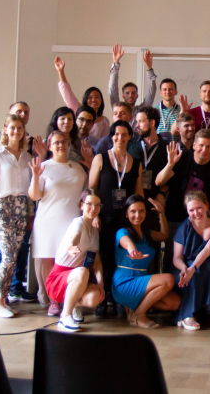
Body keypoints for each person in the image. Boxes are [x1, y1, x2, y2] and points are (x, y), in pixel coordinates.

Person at [156, 129, 210, 270]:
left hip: (200, 221)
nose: (204, 150)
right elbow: (159, 182)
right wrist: (170, 164)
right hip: (175, 216)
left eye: (208, 146)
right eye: (201, 145)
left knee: (198, 260)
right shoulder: (182, 158)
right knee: (171, 256)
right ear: (194, 145)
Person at [29, 131, 88, 316]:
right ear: (49, 146)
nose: (60, 145)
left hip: (71, 222)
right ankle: (53, 301)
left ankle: (72, 302)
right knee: (49, 259)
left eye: (63, 142)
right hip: (47, 221)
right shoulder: (43, 166)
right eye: (56, 143)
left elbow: (86, 194)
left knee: (71, 260)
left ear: (68, 144)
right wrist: (35, 176)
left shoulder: (78, 168)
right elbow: (35, 196)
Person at [88, 120, 144, 316]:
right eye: (116, 134)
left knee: (123, 259)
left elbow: (138, 193)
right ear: (111, 136)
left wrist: (139, 218)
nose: (120, 138)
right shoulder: (101, 158)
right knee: (104, 259)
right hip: (103, 218)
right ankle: (101, 299)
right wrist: (95, 215)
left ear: (130, 137)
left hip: (125, 221)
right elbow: (92, 189)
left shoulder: (136, 162)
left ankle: (120, 299)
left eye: (124, 134)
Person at [0, 114, 33, 318]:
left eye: (19, 128)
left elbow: (29, 188)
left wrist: (30, 212)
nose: (16, 132)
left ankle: (4, 299)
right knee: (8, 257)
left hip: (22, 207)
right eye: (12, 127)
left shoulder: (27, 157)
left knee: (14, 257)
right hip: (2, 207)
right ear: (5, 129)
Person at [113, 195, 180, 328]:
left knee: (174, 302)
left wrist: (161, 213)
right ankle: (139, 315)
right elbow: (127, 243)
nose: (137, 215)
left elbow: (164, 235)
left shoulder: (147, 233)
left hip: (142, 279)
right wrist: (133, 251)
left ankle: (135, 307)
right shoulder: (122, 232)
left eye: (141, 211)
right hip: (125, 281)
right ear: (126, 214)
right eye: (133, 211)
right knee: (168, 279)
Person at [45, 189, 105, 331]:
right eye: (89, 204)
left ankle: (72, 306)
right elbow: (76, 235)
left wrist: (101, 283)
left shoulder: (95, 231)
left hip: (78, 278)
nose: (93, 208)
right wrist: (71, 245)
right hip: (58, 279)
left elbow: (96, 261)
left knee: (95, 297)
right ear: (81, 205)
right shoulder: (78, 222)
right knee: (83, 272)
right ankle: (64, 316)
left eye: (97, 205)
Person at [171, 191, 210, 330]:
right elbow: (176, 258)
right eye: (191, 210)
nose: (195, 213)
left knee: (207, 266)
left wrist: (192, 269)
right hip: (182, 268)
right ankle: (186, 315)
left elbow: (207, 250)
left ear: (206, 205)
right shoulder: (185, 226)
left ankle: (200, 311)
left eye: (199, 208)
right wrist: (185, 269)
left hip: (202, 269)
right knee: (197, 271)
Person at [54, 56, 110, 139]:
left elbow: (104, 142)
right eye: (90, 97)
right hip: (75, 145)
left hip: (94, 147)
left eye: (97, 97)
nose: (93, 100)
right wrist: (60, 71)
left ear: (101, 100)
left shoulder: (104, 121)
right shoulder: (78, 109)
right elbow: (67, 92)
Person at [108, 44, 157, 121]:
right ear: (123, 96)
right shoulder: (117, 109)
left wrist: (149, 68)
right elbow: (112, 89)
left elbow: (152, 92)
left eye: (133, 93)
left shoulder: (141, 110)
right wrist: (116, 63)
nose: (130, 95)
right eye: (127, 93)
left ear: (137, 96)